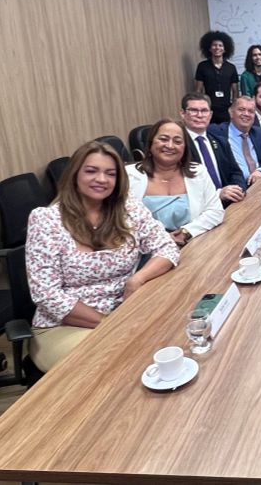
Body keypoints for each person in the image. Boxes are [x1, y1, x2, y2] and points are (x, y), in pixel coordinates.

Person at [25, 141, 179, 372]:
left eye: (110, 173)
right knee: (116, 363)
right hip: (66, 325)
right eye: (91, 171)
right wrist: (110, 325)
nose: (101, 179)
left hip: (125, 312)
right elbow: (46, 294)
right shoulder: (46, 220)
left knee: (174, 340)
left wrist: (137, 279)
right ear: (74, 174)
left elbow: (167, 247)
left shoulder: (128, 209)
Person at [127, 119, 224, 246]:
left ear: (184, 148)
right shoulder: (129, 176)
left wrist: (186, 232)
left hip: (192, 244)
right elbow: (122, 222)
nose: (170, 146)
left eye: (177, 141)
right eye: (163, 139)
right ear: (150, 143)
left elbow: (216, 211)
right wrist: (162, 240)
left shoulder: (199, 172)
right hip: (146, 250)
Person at [178, 92, 247, 207]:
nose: (200, 115)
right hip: (198, 209)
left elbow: (235, 172)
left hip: (229, 205)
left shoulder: (220, 141)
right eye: (194, 110)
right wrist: (217, 194)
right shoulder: (178, 144)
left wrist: (238, 189)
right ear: (183, 113)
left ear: (210, 115)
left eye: (204, 111)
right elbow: (181, 185)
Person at [209, 96, 261, 186]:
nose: (246, 114)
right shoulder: (216, 133)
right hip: (235, 189)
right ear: (231, 112)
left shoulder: (257, 132)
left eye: (251, 111)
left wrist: (260, 170)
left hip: (259, 184)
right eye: (241, 109)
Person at [194, 30, 239, 124]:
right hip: (208, 108)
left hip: (226, 109)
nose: (217, 48)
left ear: (225, 49)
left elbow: (235, 91)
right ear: (209, 48)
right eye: (214, 45)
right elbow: (198, 90)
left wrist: (234, 108)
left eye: (220, 45)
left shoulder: (231, 68)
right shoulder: (202, 66)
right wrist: (199, 106)